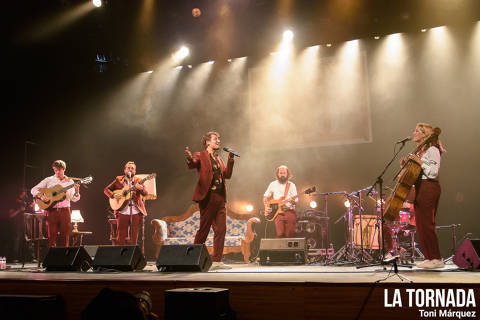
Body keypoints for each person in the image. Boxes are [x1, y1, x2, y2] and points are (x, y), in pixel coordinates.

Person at [185, 131, 235, 270]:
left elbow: (227, 175)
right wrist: (189, 158)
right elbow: (193, 164)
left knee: (221, 229)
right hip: (208, 197)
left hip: (220, 198)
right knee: (204, 229)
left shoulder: (218, 159)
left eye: (219, 139)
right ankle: (193, 259)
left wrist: (230, 160)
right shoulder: (200, 155)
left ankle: (217, 261)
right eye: (215, 139)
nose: (218, 141)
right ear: (207, 142)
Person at [403, 123, 445, 269]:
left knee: (427, 223)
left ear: (424, 134)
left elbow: (433, 172)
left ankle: (437, 258)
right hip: (421, 187)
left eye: (416, 131)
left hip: (429, 187)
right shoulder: (422, 151)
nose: (413, 133)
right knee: (420, 224)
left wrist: (419, 162)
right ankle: (429, 257)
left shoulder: (433, 149)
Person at [31, 160, 80, 247]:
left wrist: (76, 192)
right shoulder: (49, 180)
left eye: (59, 170)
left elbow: (73, 199)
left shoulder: (70, 182)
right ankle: (52, 259)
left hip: (65, 211)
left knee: (65, 236)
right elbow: (33, 189)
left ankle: (64, 259)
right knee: (51, 236)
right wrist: (41, 197)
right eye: (55, 170)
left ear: (63, 169)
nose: (57, 172)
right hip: (51, 211)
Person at [104, 161, 148, 245]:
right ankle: (120, 256)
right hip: (122, 211)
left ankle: (132, 256)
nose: (130, 170)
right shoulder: (118, 179)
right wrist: (113, 194)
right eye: (128, 168)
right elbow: (106, 190)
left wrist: (141, 188)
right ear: (125, 170)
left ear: (135, 171)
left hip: (135, 211)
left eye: (132, 168)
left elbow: (145, 193)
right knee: (120, 236)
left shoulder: (139, 181)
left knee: (134, 237)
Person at [263, 165, 298, 238]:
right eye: (281, 173)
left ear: (287, 174)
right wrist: (266, 206)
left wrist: (292, 201)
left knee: (290, 235)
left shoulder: (292, 185)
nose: (282, 175)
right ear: (277, 174)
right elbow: (265, 196)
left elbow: (296, 200)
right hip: (277, 213)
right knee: (280, 234)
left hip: (289, 211)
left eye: (284, 173)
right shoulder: (272, 184)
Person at [8, 189, 32, 262]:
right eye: (23, 193)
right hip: (17, 223)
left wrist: (31, 207)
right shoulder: (13, 203)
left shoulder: (26, 202)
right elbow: (11, 215)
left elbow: (31, 211)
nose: (24, 194)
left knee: (29, 239)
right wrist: (19, 210)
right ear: (20, 193)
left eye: (25, 193)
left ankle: (31, 257)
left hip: (26, 222)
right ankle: (15, 258)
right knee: (17, 240)